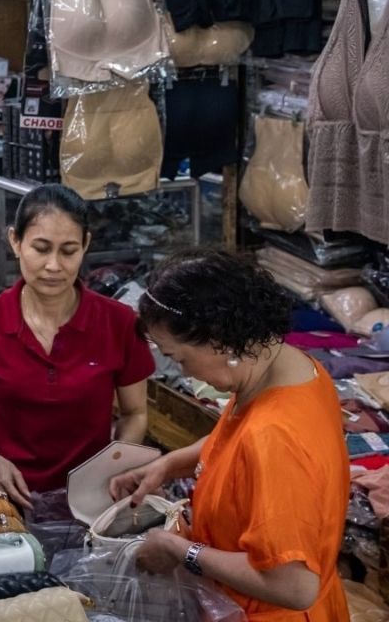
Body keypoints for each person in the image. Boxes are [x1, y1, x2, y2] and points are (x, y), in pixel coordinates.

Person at [110, 249, 349, 620]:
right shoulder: (289, 368)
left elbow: (295, 586)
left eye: (180, 358)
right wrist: (170, 464)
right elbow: (238, 442)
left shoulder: (275, 438)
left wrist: (179, 550)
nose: (184, 372)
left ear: (218, 338)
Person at [0, 183, 154, 509]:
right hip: (8, 497)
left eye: (69, 251)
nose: (54, 266)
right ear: (15, 241)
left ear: (86, 245)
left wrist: (109, 471)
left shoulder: (119, 322)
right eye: (41, 249)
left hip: (93, 502)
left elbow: (135, 413)